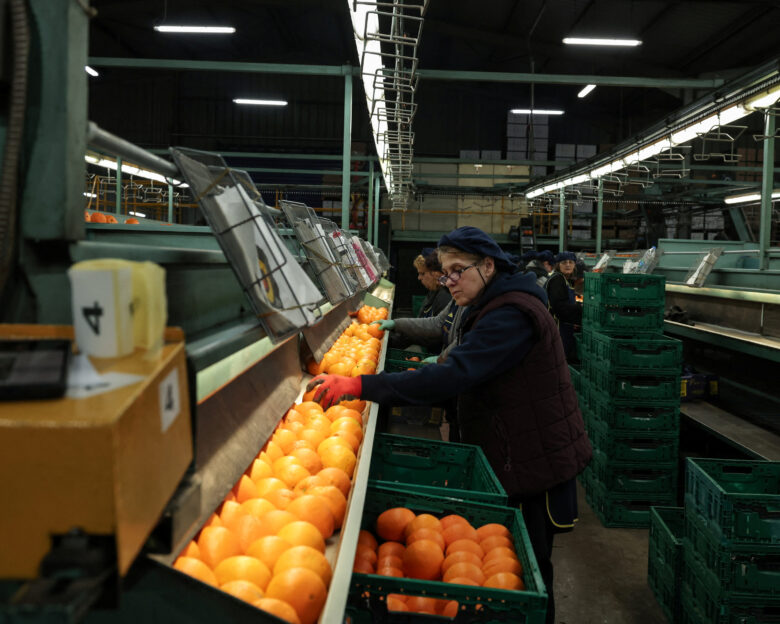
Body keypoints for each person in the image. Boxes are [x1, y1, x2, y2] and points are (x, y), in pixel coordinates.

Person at [309, 227, 592, 624]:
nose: (450, 281)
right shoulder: (491, 303)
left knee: (525, 573)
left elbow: (456, 374)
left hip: (532, 460)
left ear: (488, 266)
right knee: (509, 568)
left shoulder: (511, 313)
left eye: (458, 270)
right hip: (515, 450)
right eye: (445, 273)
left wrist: (360, 384)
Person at [545, 251, 583, 362]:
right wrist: (581, 309)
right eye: (564, 262)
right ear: (557, 265)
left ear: (574, 265)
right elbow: (560, 307)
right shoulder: (558, 280)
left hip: (562, 326)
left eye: (571, 262)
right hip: (557, 328)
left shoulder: (564, 280)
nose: (568, 265)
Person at [414, 249, 451, 319]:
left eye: (422, 273)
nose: (419, 278)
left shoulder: (444, 297)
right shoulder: (433, 292)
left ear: (436, 273)